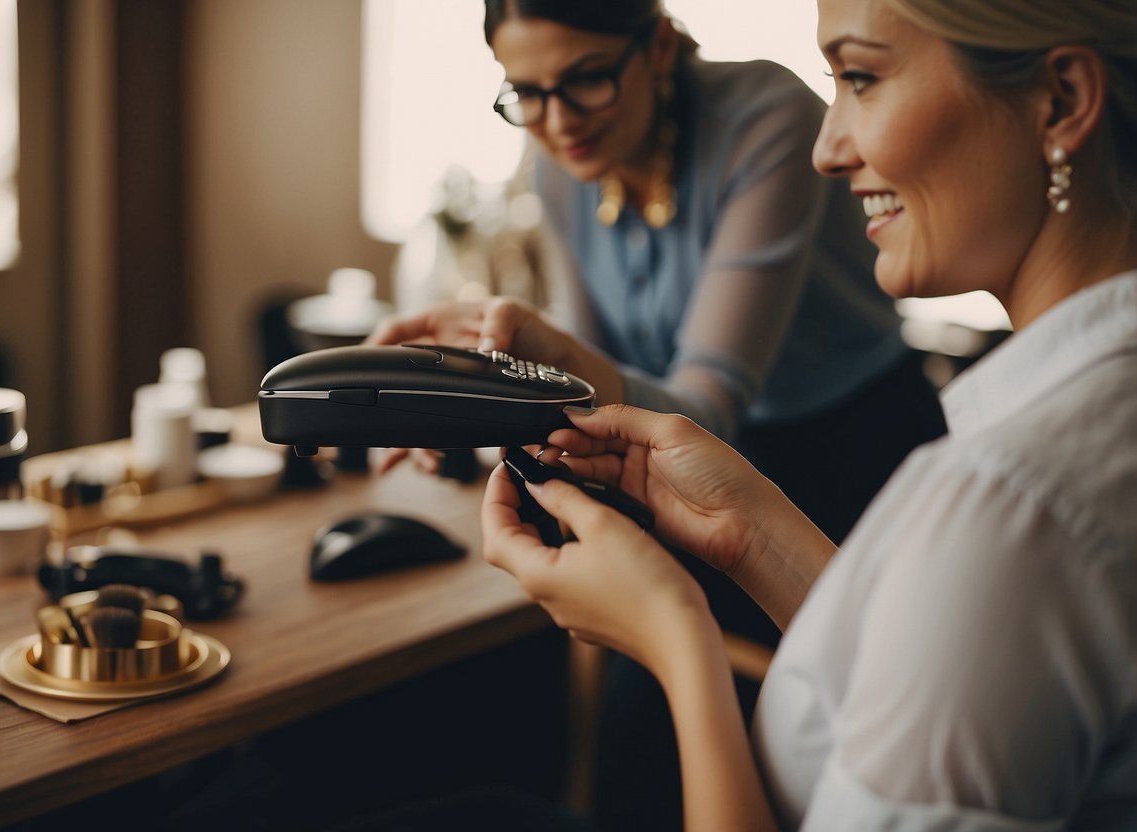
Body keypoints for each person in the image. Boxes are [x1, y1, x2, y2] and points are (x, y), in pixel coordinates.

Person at [481, 0, 1137, 828]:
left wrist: (674, 638)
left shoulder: (1008, 505)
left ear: (1061, 100)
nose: (826, 147)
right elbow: (926, 673)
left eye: (859, 78)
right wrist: (754, 536)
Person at [369, 4, 946, 825]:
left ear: (661, 46)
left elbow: (703, 406)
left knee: (751, 724)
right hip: (680, 457)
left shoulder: (770, 119)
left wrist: (554, 362)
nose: (558, 123)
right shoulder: (556, 169)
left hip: (855, 460)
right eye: (526, 94)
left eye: (587, 80)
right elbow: (589, 400)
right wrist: (475, 387)